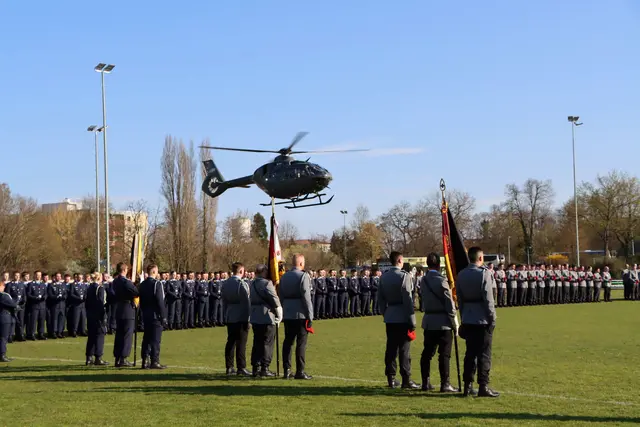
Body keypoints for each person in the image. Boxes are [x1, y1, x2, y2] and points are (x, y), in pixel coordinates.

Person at [456, 246, 499, 397]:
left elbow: (460, 300)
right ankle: (483, 386)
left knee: (470, 354)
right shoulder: (484, 274)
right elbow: (489, 299)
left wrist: (463, 318)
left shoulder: (461, 274)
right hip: (482, 319)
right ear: (480, 258)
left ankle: (467, 386)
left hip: (468, 318)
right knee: (484, 354)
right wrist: (492, 319)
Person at [378, 251, 420, 389]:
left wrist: (386, 313)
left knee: (391, 348)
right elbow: (408, 300)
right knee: (404, 350)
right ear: (400, 261)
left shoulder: (384, 277)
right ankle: (406, 379)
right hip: (402, 316)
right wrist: (412, 320)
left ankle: (391, 378)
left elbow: (381, 299)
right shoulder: (404, 276)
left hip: (390, 316)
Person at [419, 253, 459, 393]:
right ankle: (445, 383)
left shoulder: (423, 280)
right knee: (444, 354)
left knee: (427, 353)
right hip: (443, 321)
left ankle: (425, 382)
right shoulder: (441, 281)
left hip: (429, 321)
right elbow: (449, 303)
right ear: (438, 265)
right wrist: (454, 320)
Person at [279, 254, 313, 380]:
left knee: (288, 342)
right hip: (301, 313)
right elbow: (306, 297)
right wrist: (310, 315)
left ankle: (286, 370)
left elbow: (281, 295)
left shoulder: (285, 277)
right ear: (301, 263)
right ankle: (300, 370)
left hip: (288, 313)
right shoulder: (304, 276)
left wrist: (284, 309)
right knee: (301, 343)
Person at [249, 264, 282, 377]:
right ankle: (265, 367)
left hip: (255, 316)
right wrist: (279, 311)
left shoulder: (252, 283)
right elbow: (274, 298)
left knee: (257, 342)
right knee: (267, 342)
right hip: (267, 316)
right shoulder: (267, 283)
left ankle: (255, 367)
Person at [221, 262, 251, 376]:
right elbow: (246, 303)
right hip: (241, 316)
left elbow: (224, 301)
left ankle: (229, 366)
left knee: (231, 342)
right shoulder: (241, 284)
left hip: (230, 315)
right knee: (241, 343)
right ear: (241, 271)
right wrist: (248, 318)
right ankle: (241, 367)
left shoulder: (226, 283)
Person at [139, 264, 167, 369]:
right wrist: (163, 316)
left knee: (146, 338)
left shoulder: (142, 284)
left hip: (146, 314)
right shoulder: (157, 284)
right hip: (155, 315)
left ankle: (144, 360)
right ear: (154, 272)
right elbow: (160, 301)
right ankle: (154, 361)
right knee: (155, 339)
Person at [112, 262, 139, 368]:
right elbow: (136, 292)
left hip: (119, 308)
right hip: (128, 309)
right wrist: (137, 283)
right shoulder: (125, 282)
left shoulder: (115, 281)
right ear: (124, 270)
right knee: (127, 335)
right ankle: (123, 357)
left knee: (119, 334)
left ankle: (117, 357)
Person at [85, 272, 109, 366]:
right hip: (98, 315)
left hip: (90, 314)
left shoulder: (89, 287)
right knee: (100, 336)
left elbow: (87, 302)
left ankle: (89, 357)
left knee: (91, 336)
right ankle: (98, 357)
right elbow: (101, 303)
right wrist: (103, 317)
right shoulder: (100, 288)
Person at [0, 278, 17, 362]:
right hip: (5, 317)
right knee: (4, 337)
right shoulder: (4, 295)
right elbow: (13, 304)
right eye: (3, 286)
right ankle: (2, 355)